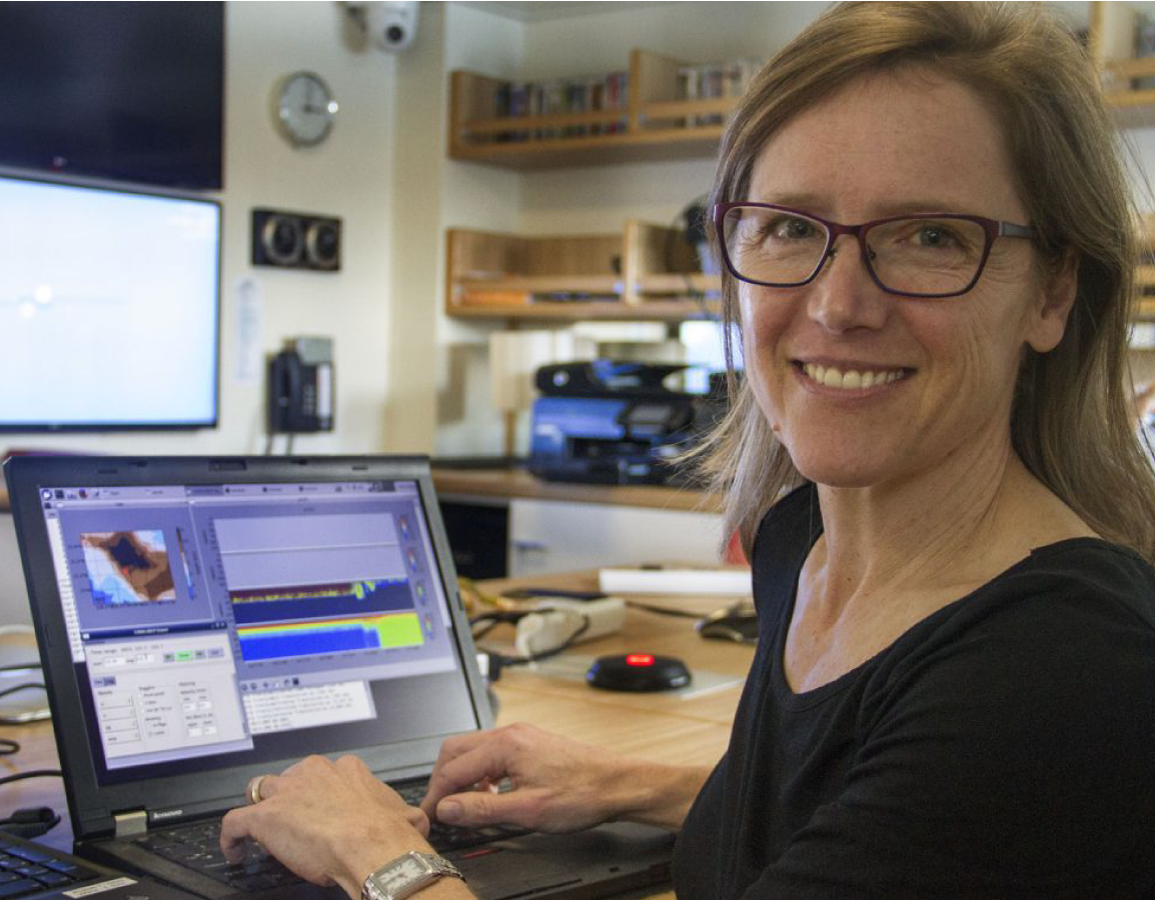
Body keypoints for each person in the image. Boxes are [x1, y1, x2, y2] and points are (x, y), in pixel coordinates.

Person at [219, 3, 1155, 897]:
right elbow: (869, 806)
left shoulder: (1066, 672)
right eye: (791, 228)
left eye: (931, 236)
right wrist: (635, 783)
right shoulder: (803, 545)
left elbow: (983, 776)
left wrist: (379, 854)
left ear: (1052, 294)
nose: (838, 306)